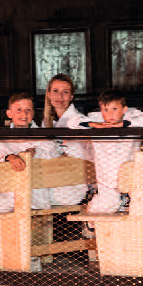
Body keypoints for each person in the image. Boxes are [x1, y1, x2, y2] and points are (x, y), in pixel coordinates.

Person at [78, 88, 143, 215]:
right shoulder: (95, 118)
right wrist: (95, 125)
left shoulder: (132, 115)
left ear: (124, 109)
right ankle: (90, 225)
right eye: (105, 110)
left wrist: (120, 125)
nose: (110, 114)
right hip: (106, 180)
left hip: (131, 179)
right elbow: (73, 122)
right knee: (106, 206)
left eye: (114, 109)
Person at [39, 74, 90, 207]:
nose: (60, 97)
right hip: (51, 177)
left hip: (73, 182)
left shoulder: (80, 121)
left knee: (34, 197)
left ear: (71, 97)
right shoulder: (46, 122)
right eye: (55, 91)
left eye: (65, 92)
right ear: (49, 94)